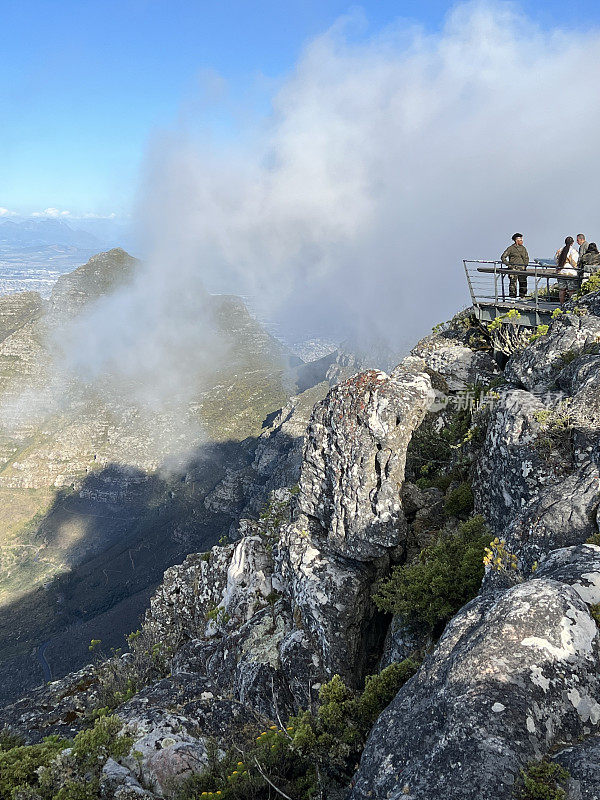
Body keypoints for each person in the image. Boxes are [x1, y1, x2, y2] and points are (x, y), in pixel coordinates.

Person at [500, 233, 529, 298]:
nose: (522, 240)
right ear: (516, 240)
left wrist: (525, 265)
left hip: (522, 269)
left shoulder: (524, 248)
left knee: (523, 283)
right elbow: (503, 257)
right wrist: (509, 265)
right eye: (520, 239)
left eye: (522, 239)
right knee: (513, 284)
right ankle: (512, 297)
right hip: (513, 268)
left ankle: (522, 296)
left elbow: (526, 258)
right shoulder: (511, 248)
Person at [555, 236, 579, 304]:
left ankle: (562, 305)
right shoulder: (573, 251)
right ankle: (571, 305)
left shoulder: (560, 250)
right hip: (570, 273)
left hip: (561, 272)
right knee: (571, 290)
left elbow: (556, 260)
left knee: (562, 290)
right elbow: (575, 263)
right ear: (572, 243)